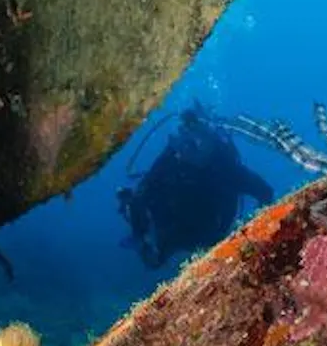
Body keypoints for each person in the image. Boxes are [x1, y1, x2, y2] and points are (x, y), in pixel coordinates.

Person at [117, 101, 275, 269]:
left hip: (210, 235)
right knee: (154, 258)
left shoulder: (225, 166)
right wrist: (135, 221)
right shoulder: (170, 163)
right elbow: (142, 195)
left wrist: (254, 235)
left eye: (198, 138)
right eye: (187, 138)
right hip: (173, 231)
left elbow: (265, 193)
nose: (192, 145)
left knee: (159, 257)